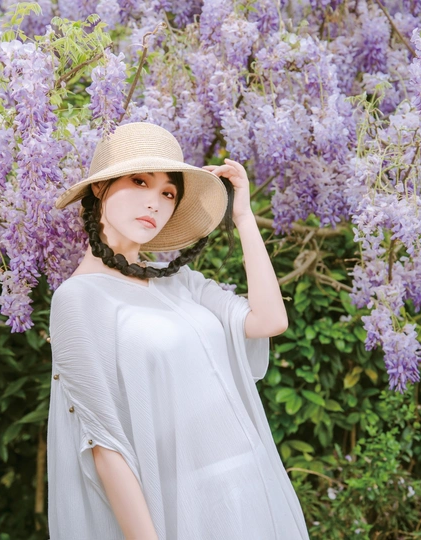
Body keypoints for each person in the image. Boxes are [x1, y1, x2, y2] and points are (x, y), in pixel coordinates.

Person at [46, 122, 310, 539]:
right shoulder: (78, 299)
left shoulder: (179, 282)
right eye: (140, 181)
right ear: (99, 187)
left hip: (248, 486)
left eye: (168, 193)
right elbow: (105, 444)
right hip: (180, 508)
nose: (154, 202)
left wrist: (242, 217)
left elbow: (270, 321)